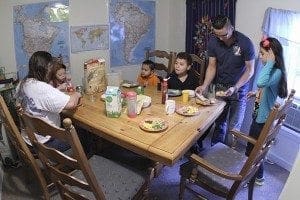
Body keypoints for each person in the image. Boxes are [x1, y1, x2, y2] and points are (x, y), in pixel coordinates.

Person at [195, 15, 255, 146]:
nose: (221, 38)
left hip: (238, 90)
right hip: (219, 87)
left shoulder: (245, 43)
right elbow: (212, 66)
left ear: (232, 28)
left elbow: (250, 71)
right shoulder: (213, 42)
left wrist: (235, 87)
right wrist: (205, 85)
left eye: (224, 35)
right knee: (218, 121)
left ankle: (227, 158)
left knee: (233, 128)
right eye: (217, 35)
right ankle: (214, 151)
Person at [15, 51, 82, 153]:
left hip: (29, 138)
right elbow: (71, 104)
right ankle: (85, 164)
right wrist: (77, 94)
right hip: (46, 143)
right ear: (46, 68)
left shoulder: (23, 83)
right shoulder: (40, 87)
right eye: (51, 68)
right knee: (84, 134)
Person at [245, 37, 288, 186]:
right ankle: (258, 176)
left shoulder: (276, 72)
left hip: (262, 119)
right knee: (254, 148)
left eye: (263, 54)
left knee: (252, 151)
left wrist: (269, 62)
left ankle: (256, 177)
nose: (260, 56)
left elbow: (261, 82)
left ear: (272, 55)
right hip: (259, 114)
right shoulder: (273, 71)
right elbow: (264, 87)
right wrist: (256, 92)